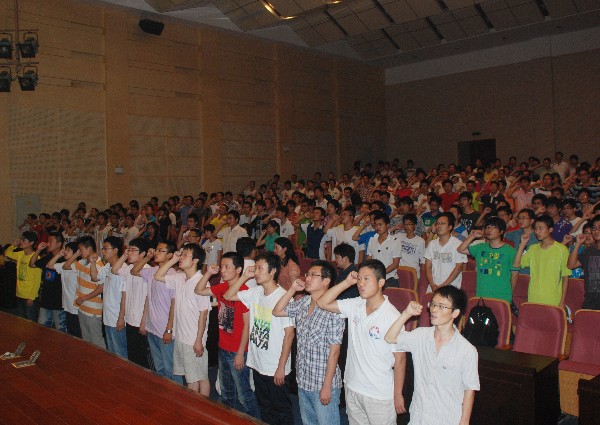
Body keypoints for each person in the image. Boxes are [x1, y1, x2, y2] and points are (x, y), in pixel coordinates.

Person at [317, 259, 406, 425]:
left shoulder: (392, 316)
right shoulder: (356, 304)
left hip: (378, 394)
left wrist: (398, 394)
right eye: (359, 279)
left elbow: (400, 359)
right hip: (353, 386)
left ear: (381, 282)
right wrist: (346, 283)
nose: (361, 284)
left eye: (366, 279)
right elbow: (322, 302)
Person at [384, 287, 479, 425]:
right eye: (433, 304)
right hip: (419, 417)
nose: (434, 310)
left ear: (455, 313)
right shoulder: (421, 336)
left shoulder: (467, 350)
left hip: (447, 419)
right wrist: (406, 313)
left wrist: (464, 422)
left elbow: (469, 389)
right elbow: (389, 337)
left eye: (441, 306)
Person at [223, 252, 295, 425]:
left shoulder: (284, 297)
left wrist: (281, 367)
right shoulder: (255, 292)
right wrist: (244, 277)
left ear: (273, 271)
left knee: (282, 411)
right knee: (265, 407)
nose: (255, 272)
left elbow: (289, 334)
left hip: (275, 366)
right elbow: (228, 296)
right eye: (255, 268)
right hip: (258, 362)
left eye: (260, 268)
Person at [273, 261, 345, 425]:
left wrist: (327, 386)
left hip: (322, 382)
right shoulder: (303, 302)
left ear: (326, 281)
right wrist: (292, 289)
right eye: (308, 274)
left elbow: (334, 352)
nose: (307, 278)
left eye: (314, 275)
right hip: (304, 379)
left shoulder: (333, 311)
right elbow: (277, 311)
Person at [193, 253, 260, 418]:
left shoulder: (243, 292)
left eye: (226, 267)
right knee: (227, 392)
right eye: (221, 266)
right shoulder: (222, 287)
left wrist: (240, 353)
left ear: (238, 270)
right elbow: (199, 290)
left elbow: (247, 325)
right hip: (223, 347)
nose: (222, 270)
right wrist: (209, 273)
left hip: (237, 350)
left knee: (244, 394)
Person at [154, 243, 212, 395]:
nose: (181, 257)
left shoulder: (201, 282)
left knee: (198, 379)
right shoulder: (179, 278)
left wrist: (198, 340)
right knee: (191, 377)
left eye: (185, 255)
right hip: (180, 337)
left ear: (195, 260)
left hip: (193, 339)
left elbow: (203, 314)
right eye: (181, 254)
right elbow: (158, 276)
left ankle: (199, 407)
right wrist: (173, 260)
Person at [133, 240, 183, 383]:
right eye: (157, 249)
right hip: (152, 327)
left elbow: (174, 304)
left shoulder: (173, 276)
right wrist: (147, 257)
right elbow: (134, 271)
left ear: (170, 256)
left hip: (165, 329)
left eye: (161, 251)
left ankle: (176, 395)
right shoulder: (152, 271)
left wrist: (169, 329)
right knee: (159, 368)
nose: (156, 252)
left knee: (171, 369)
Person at [513, 215, 571, 306]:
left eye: (540, 228)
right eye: (535, 228)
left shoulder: (562, 250)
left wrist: (562, 302)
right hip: (533, 297)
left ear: (550, 229)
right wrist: (522, 245)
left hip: (553, 298)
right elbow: (516, 265)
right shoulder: (533, 249)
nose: (537, 231)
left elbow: (565, 277)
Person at [457, 216, 518, 303]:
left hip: (502, 296)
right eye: (488, 227)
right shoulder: (480, 247)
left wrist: (509, 294)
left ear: (501, 231)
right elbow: (460, 249)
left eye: (493, 227)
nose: (489, 230)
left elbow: (514, 276)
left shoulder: (510, 251)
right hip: (482, 294)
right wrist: (473, 236)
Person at [62, 235, 106, 349]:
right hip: (82, 308)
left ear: (89, 248)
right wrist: (76, 254)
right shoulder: (82, 262)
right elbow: (65, 266)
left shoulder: (99, 265)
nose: (79, 252)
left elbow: (101, 288)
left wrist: (84, 298)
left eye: (81, 250)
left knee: (97, 341)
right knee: (86, 340)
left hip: (93, 310)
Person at [95, 236, 128, 358]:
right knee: (111, 351)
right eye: (102, 248)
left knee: (120, 352)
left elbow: (124, 296)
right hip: (108, 316)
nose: (103, 251)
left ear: (115, 250)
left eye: (105, 248)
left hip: (117, 317)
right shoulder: (108, 266)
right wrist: (93, 263)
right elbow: (95, 277)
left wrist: (121, 318)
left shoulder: (122, 270)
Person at [29, 232, 66, 331]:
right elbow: (32, 264)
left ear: (59, 244)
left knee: (61, 330)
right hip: (46, 300)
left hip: (59, 302)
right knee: (42, 329)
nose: (48, 244)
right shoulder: (48, 257)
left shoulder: (64, 259)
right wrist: (38, 250)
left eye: (51, 241)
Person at [424, 213, 467, 292]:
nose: (439, 226)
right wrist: (432, 284)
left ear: (450, 227)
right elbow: (428, 266)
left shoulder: (458, 244)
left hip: (451, 287)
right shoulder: (432, 244)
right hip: (433, 287)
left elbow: (458, 268)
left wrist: (444, 285)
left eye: (442, 223)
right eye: (437, 223)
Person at [5, 231, 42, 321]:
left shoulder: (36, 257)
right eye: (21, 239)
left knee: (31, 322)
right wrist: (13, 245)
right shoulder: (20, 253)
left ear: (31, 243)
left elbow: (37, 279)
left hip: (29, 295)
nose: (21, 241)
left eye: (24, 240)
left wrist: (32, 297)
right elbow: (8, 253)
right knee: (21, 321)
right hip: (20, 293)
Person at [48, 241, 81, 337]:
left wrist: (75, 255)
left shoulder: (78, 265)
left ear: (76, 253)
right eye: (65, 249)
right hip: (67, 305)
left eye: (68, 250)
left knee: (77, 333)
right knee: (70, 332)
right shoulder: (63, 265)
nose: (65, 252)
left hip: (76, 307)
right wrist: (59, 255)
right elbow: (49, 265)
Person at [567, 215, 600, 310]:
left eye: (599, 228)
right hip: (590, 301)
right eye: (594, 228)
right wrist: (578, 244)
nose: (596, 231)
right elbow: (571, 265)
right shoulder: (589, 251)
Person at [366, 211, 401, 287]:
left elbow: (395, 264)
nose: (377, 227)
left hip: (390, 279)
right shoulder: (372, 240)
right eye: (375, 225)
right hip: (374, 278)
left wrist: (380, 273)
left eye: (380, 224)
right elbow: (369, 259)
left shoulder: (395, 241)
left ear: (387, 225)